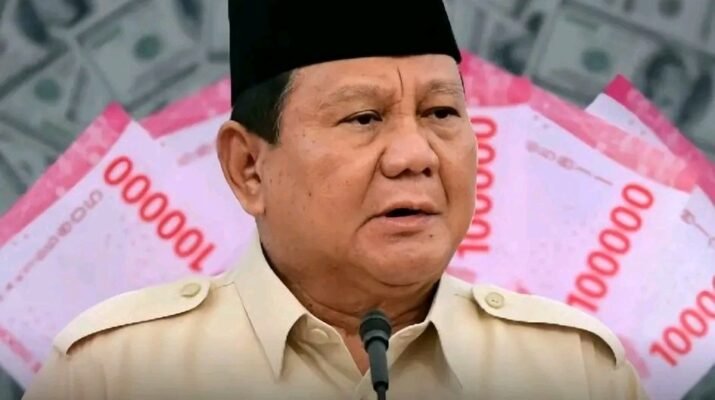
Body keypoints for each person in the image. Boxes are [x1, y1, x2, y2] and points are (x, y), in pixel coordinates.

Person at [23, 0, 648, 399]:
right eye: (363, 118)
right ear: (248, 168)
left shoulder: (575, 369)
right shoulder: (113, 373)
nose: (416, 155)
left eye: (440, 112)